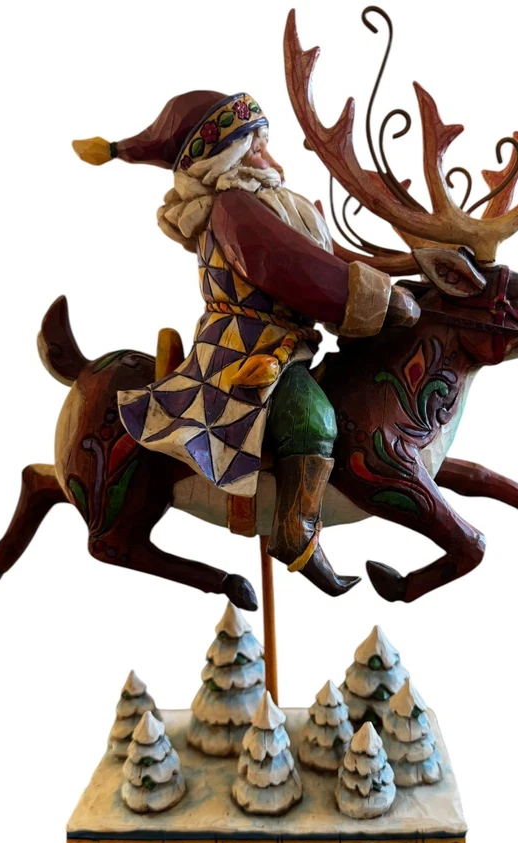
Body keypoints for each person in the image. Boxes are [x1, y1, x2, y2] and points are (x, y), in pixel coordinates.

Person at [73, 90, 418, 596]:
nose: (270, 159)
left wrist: (407, 271)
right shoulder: (234, 209)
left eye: (265, 145)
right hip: (244, 347)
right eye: (257, 149)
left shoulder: (276, 204)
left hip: (287, 343)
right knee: (310, 417)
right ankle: (296, 531)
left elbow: (329, 257)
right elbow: (287, 266)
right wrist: (378, 301)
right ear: (225, 161)